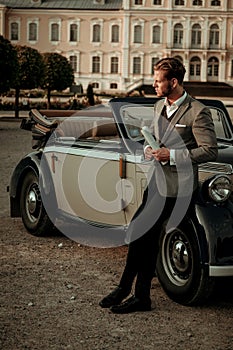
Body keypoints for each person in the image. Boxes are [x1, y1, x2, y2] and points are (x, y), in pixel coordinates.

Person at [99, 57, 218, 314]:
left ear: (173, 82)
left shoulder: (198, 111)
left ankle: (131, 291)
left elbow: (210, 150)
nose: (153, 85)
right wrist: (149, 151)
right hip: (156, 181)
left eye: (157, 81)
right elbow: (155, 141)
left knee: (144, 233)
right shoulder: (157, 107)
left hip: (178, 188)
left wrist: (172, 156)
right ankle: (134, 293)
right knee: (140, 232)